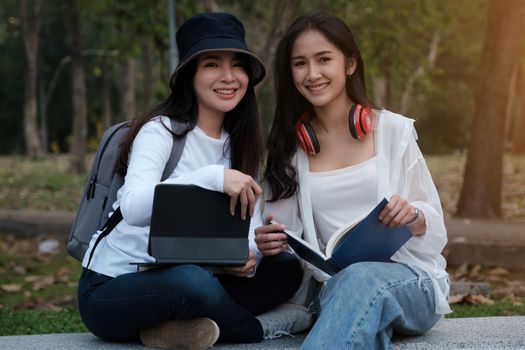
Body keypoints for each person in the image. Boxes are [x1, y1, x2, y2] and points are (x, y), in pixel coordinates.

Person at [77, 12, 306, 350]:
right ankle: (255, 330)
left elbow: (247, 225)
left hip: (200, 276)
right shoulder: (160, 132)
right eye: (212, 64)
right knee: (192, 282)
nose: (228, 77)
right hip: (114, 287)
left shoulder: (240, 144)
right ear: (190, 75)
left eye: (237, 65)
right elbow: (134, 206)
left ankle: (171, 329)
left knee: (286, 268)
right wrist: (213, 177)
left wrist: (251, 254)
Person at [255, 11, 452, 349]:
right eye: (300, 63)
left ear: (349, 64)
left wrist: (414, 217)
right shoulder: (288, 150)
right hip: (336, 288)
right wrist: (270, 241)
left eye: (324, 59)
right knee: (351, 285)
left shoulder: (393, 130)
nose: (312, 73)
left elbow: (435, 231)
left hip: (410, 285)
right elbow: (285, 235)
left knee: (361, 278)